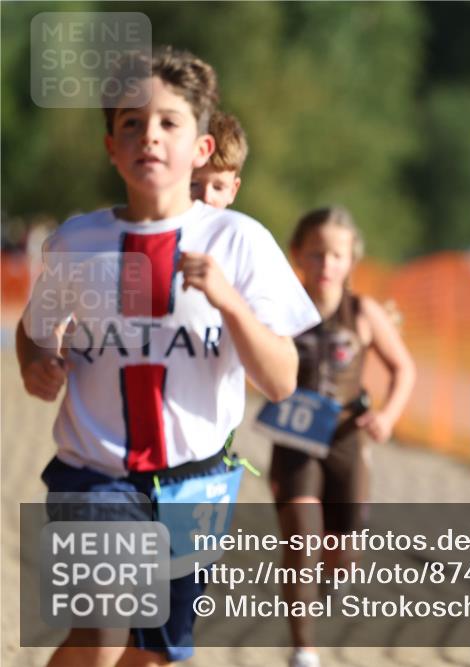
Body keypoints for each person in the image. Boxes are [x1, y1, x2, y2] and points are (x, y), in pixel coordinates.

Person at [17, 46, 320, 667]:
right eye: (131, 123)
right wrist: (34, 362)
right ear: (111, 147)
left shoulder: (241, 243)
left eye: (168, 123)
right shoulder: (79, 242)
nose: (148, 136)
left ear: (202, 147)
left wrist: (230, 302)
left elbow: (283, 380)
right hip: (95, 473)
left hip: (197, 483)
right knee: (102, 628)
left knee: (157, 653)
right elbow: (32, 330)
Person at [267, 206, 416, 667]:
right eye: (316, 254)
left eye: (336, 254)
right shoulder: (281, 307)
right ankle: (303, 647)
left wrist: (388, 417)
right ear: (298, 255)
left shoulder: (364, 312)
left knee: (341, 548)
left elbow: (403, 369)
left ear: (352, 259)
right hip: (293, 437)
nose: (326, 264)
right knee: (300, 536)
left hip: (348, 440)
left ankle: (335, 577)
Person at [190, 109, 247, 208]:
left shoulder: (239, 223)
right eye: (193, 184)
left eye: (218, 188)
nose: (206, 198)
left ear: (233, 191)